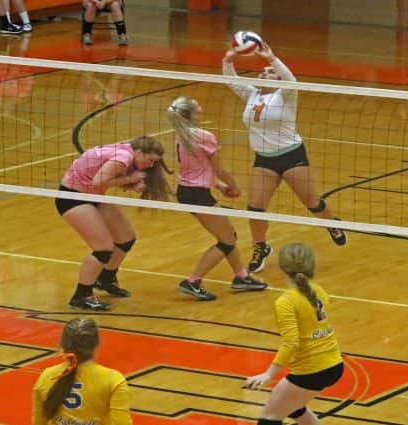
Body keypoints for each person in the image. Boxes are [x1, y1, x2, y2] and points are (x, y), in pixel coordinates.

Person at [222, 43, 347, 273]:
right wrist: (228, 60)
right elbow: (231, 80)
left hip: (291, 156)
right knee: (254, 208)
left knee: (313, 204)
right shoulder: (251, 94)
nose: (263, 73)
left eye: (269, 72)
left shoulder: (286, 95)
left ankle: (331, 223)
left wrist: (272, 58)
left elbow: (291, 80)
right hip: (264, 159)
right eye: (262, 71)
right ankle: (260, 247)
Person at [167, 96, 267, 301]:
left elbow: (196, 168)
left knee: (229, 235)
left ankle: (242, 276)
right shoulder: (204, 136)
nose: (201, 109)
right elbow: (219, 168)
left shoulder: (181, 133)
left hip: (188, 190)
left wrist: (218, 186)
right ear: (190, 114)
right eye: (197, 108)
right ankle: (193, 281)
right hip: (197, 194)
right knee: (227, 240)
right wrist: (233, 186)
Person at [55, 136, 171, 310]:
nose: (151, 165)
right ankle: (81, 296)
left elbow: (101, 181)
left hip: (91, 195)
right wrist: (130, 180)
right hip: (72, 197)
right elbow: (98, 181)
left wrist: (130, 183)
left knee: (125, 238)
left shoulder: (128, 154)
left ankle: (105, 278)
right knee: (103, 248)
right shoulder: (123, 157)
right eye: (151, 160)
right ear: (139, 152)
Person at [244, 243, 343, 425]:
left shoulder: (286, 302)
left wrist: (268, 374)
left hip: (312, 370)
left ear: (282, 268)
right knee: (294, 407)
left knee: (269, 419)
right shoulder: (317, 290)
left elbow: (291, 343)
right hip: (334, 363)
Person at [32, 318, 131, 424]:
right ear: (97, 343)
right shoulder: (113, 380)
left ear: (62, 344)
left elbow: (38, 422)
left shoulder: (47, 376)